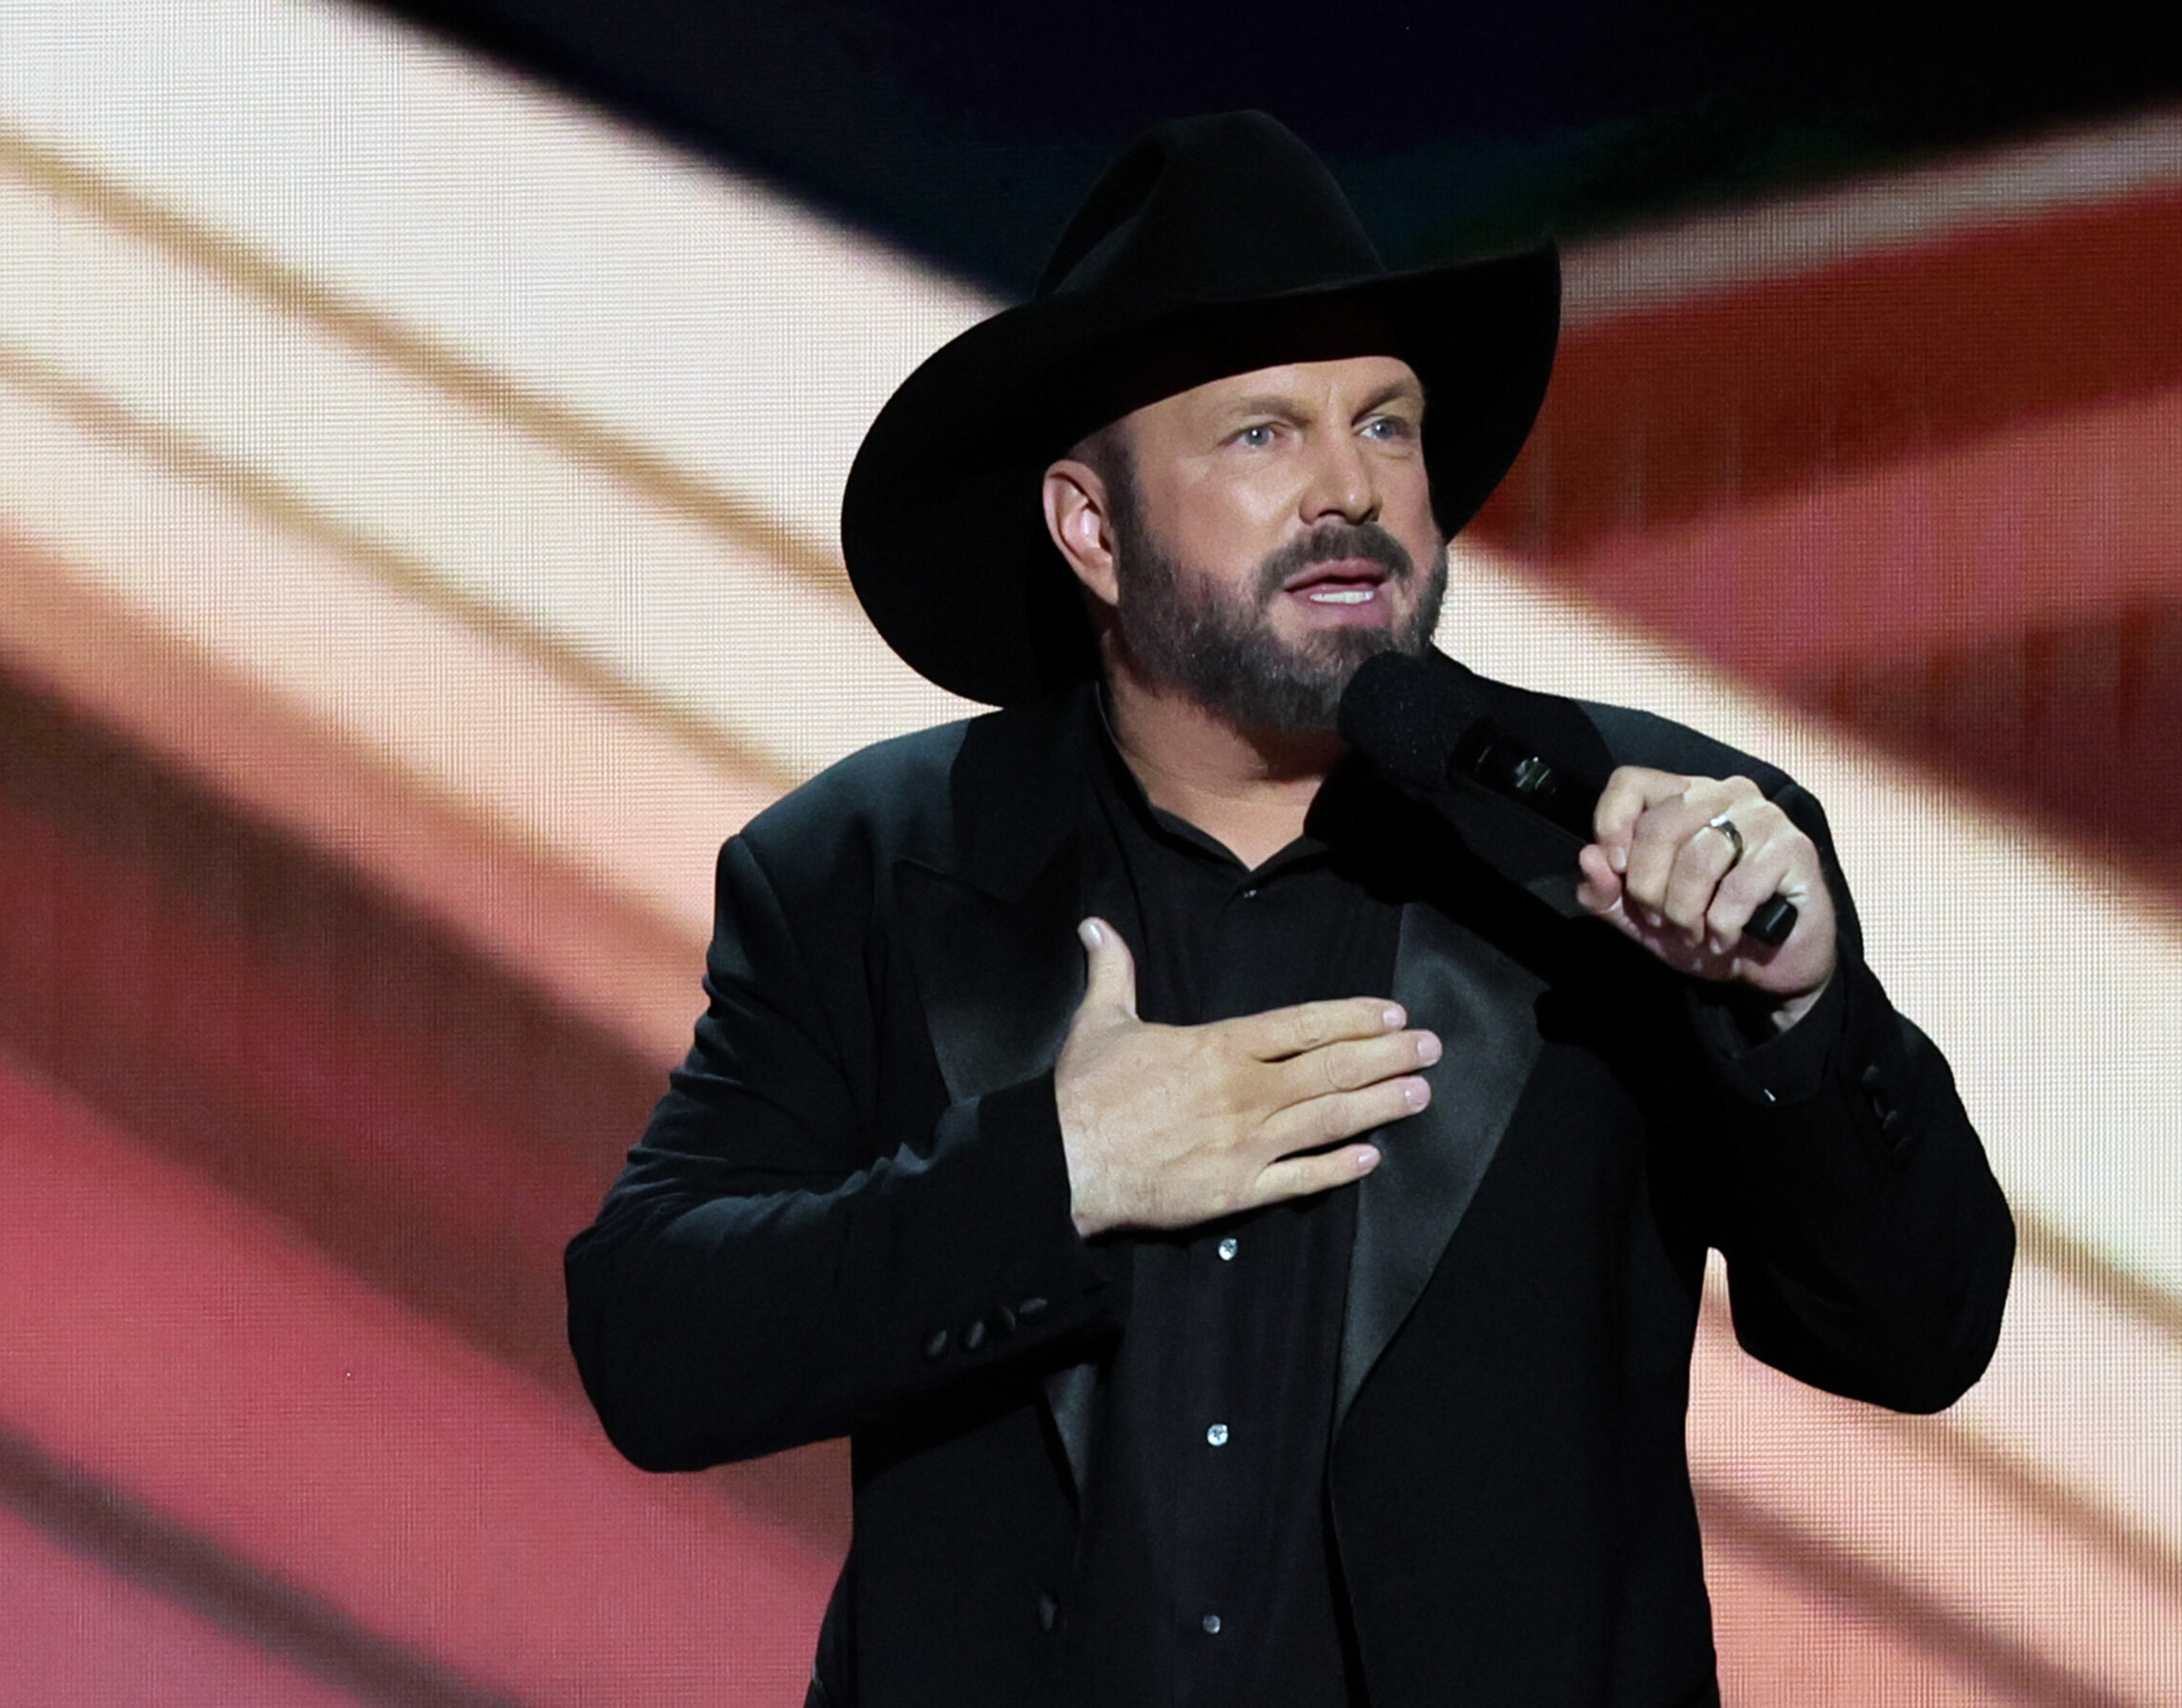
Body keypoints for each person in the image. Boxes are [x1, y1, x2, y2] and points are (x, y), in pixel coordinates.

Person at [565, 111, 2013, 1708]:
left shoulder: (1638, 839)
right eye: (1263, 434)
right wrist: (1056, 1176)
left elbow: (1918, 1335)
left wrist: (1798, 1012)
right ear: (1092, 528)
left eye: (1387, 424)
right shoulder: (864, 866)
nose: (1352, 488)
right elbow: (655, 1346)